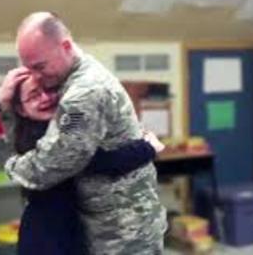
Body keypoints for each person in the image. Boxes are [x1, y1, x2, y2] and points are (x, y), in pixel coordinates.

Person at [0, 11, 167, 254]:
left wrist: (12, 168)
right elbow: (68, 151)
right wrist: (4, 106)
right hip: (95, 225)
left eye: (39, 66)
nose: (36, 77)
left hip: (122, 231)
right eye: (28, 69)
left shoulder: (82, 95)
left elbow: (59, 159)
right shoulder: (67, 79)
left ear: (65, 46)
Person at [9, 75, 164, 255]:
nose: (45, 98)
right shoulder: (40, 137)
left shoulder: (62, 122)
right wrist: (147, 147)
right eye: (34, 95)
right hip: (52, 237)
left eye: (49, 90)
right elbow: (101, 161)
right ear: (21, 109)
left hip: (74, 227)